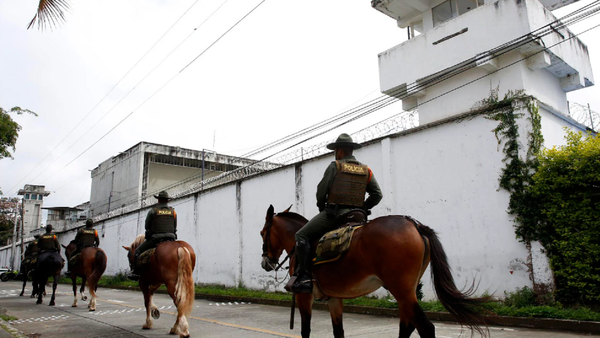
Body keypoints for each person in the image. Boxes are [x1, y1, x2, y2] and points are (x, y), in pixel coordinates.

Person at [292, 133, 383, 293]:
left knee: (301, 235)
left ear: (339, 151)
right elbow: (377, 195)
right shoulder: (366, 170)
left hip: (335, 214)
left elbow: (321, 191)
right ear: (351, 150)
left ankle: (305, 276)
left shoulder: (335, 166)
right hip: (358, 216)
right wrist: (364, 207)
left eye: (336, 150)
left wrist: (322, 208)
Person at [128, 191, 177, 280]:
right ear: (167, 201)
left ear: (158, 200)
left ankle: (135, 272)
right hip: (171, 239)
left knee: (137, 252)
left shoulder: (153, 211)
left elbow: (147, 226)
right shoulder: (173, 212)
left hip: (156, 239)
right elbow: (175, 227)